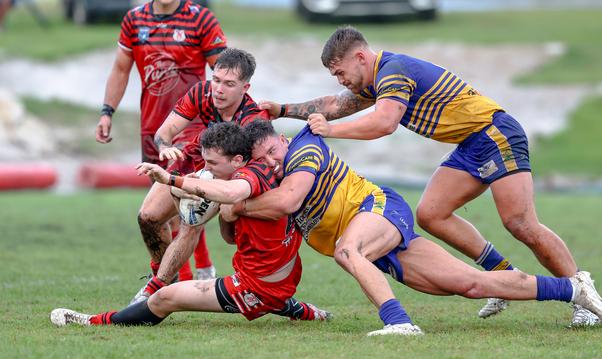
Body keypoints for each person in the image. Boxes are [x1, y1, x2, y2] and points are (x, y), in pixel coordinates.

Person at [258, 26, 598, 326]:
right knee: (431, 214)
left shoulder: (393, 71)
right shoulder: (376, 80)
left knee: (520, 223)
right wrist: (283, 110)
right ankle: (504, 276)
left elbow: (384, 123)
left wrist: (331, 131)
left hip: (495, 134)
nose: (340, 80)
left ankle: (580, 287)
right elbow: (335, 104)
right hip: (470, 144)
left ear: (360, 57)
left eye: (340, 71)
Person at [219, 121, 602, 336]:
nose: (271, 161)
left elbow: (288, 202)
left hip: (379, 209)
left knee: (347, 251)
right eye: (262, 160)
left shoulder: (304, 149)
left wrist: (230, 200)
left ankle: (399, 322)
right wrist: (227, 210)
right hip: (379, 245)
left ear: (283, 141)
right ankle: (573, 288)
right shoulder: (268, 184)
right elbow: (233, 234)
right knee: (471, 284)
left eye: (273, 151)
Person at [50, 123, 331, 327]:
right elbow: (230, 237)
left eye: (212, 164)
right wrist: (227, 215)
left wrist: (173, 180)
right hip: (281, 277)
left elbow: (232, 193)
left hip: (255, 286)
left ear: (236, 160)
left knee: (164, 299)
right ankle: (307, 312)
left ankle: (94, 322)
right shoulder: (252, 176)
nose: (208, 170)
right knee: (265, 292)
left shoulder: (249, 175)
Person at [96, 0, 227, 284]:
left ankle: (182, 279)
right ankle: (197, 270)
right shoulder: (134, 20)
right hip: (152, 129)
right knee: (166, 207)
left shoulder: (201, 19)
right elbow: (121, 69)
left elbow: (226, 77)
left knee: (182, 195)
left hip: (191, 130)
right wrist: (107, 111)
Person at [129, 48, 271, 304]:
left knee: (190, 223)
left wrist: (210, 182)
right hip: (196, 157)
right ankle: (166, 279)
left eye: (229, 84)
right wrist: (165, 147)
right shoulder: (201, 92)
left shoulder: (254, 121)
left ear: (245, 87)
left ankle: (155, 289)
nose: (218, 89)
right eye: (216, 80)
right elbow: (166, 130)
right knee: (147, 217)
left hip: (227, 174)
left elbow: (256, 167)